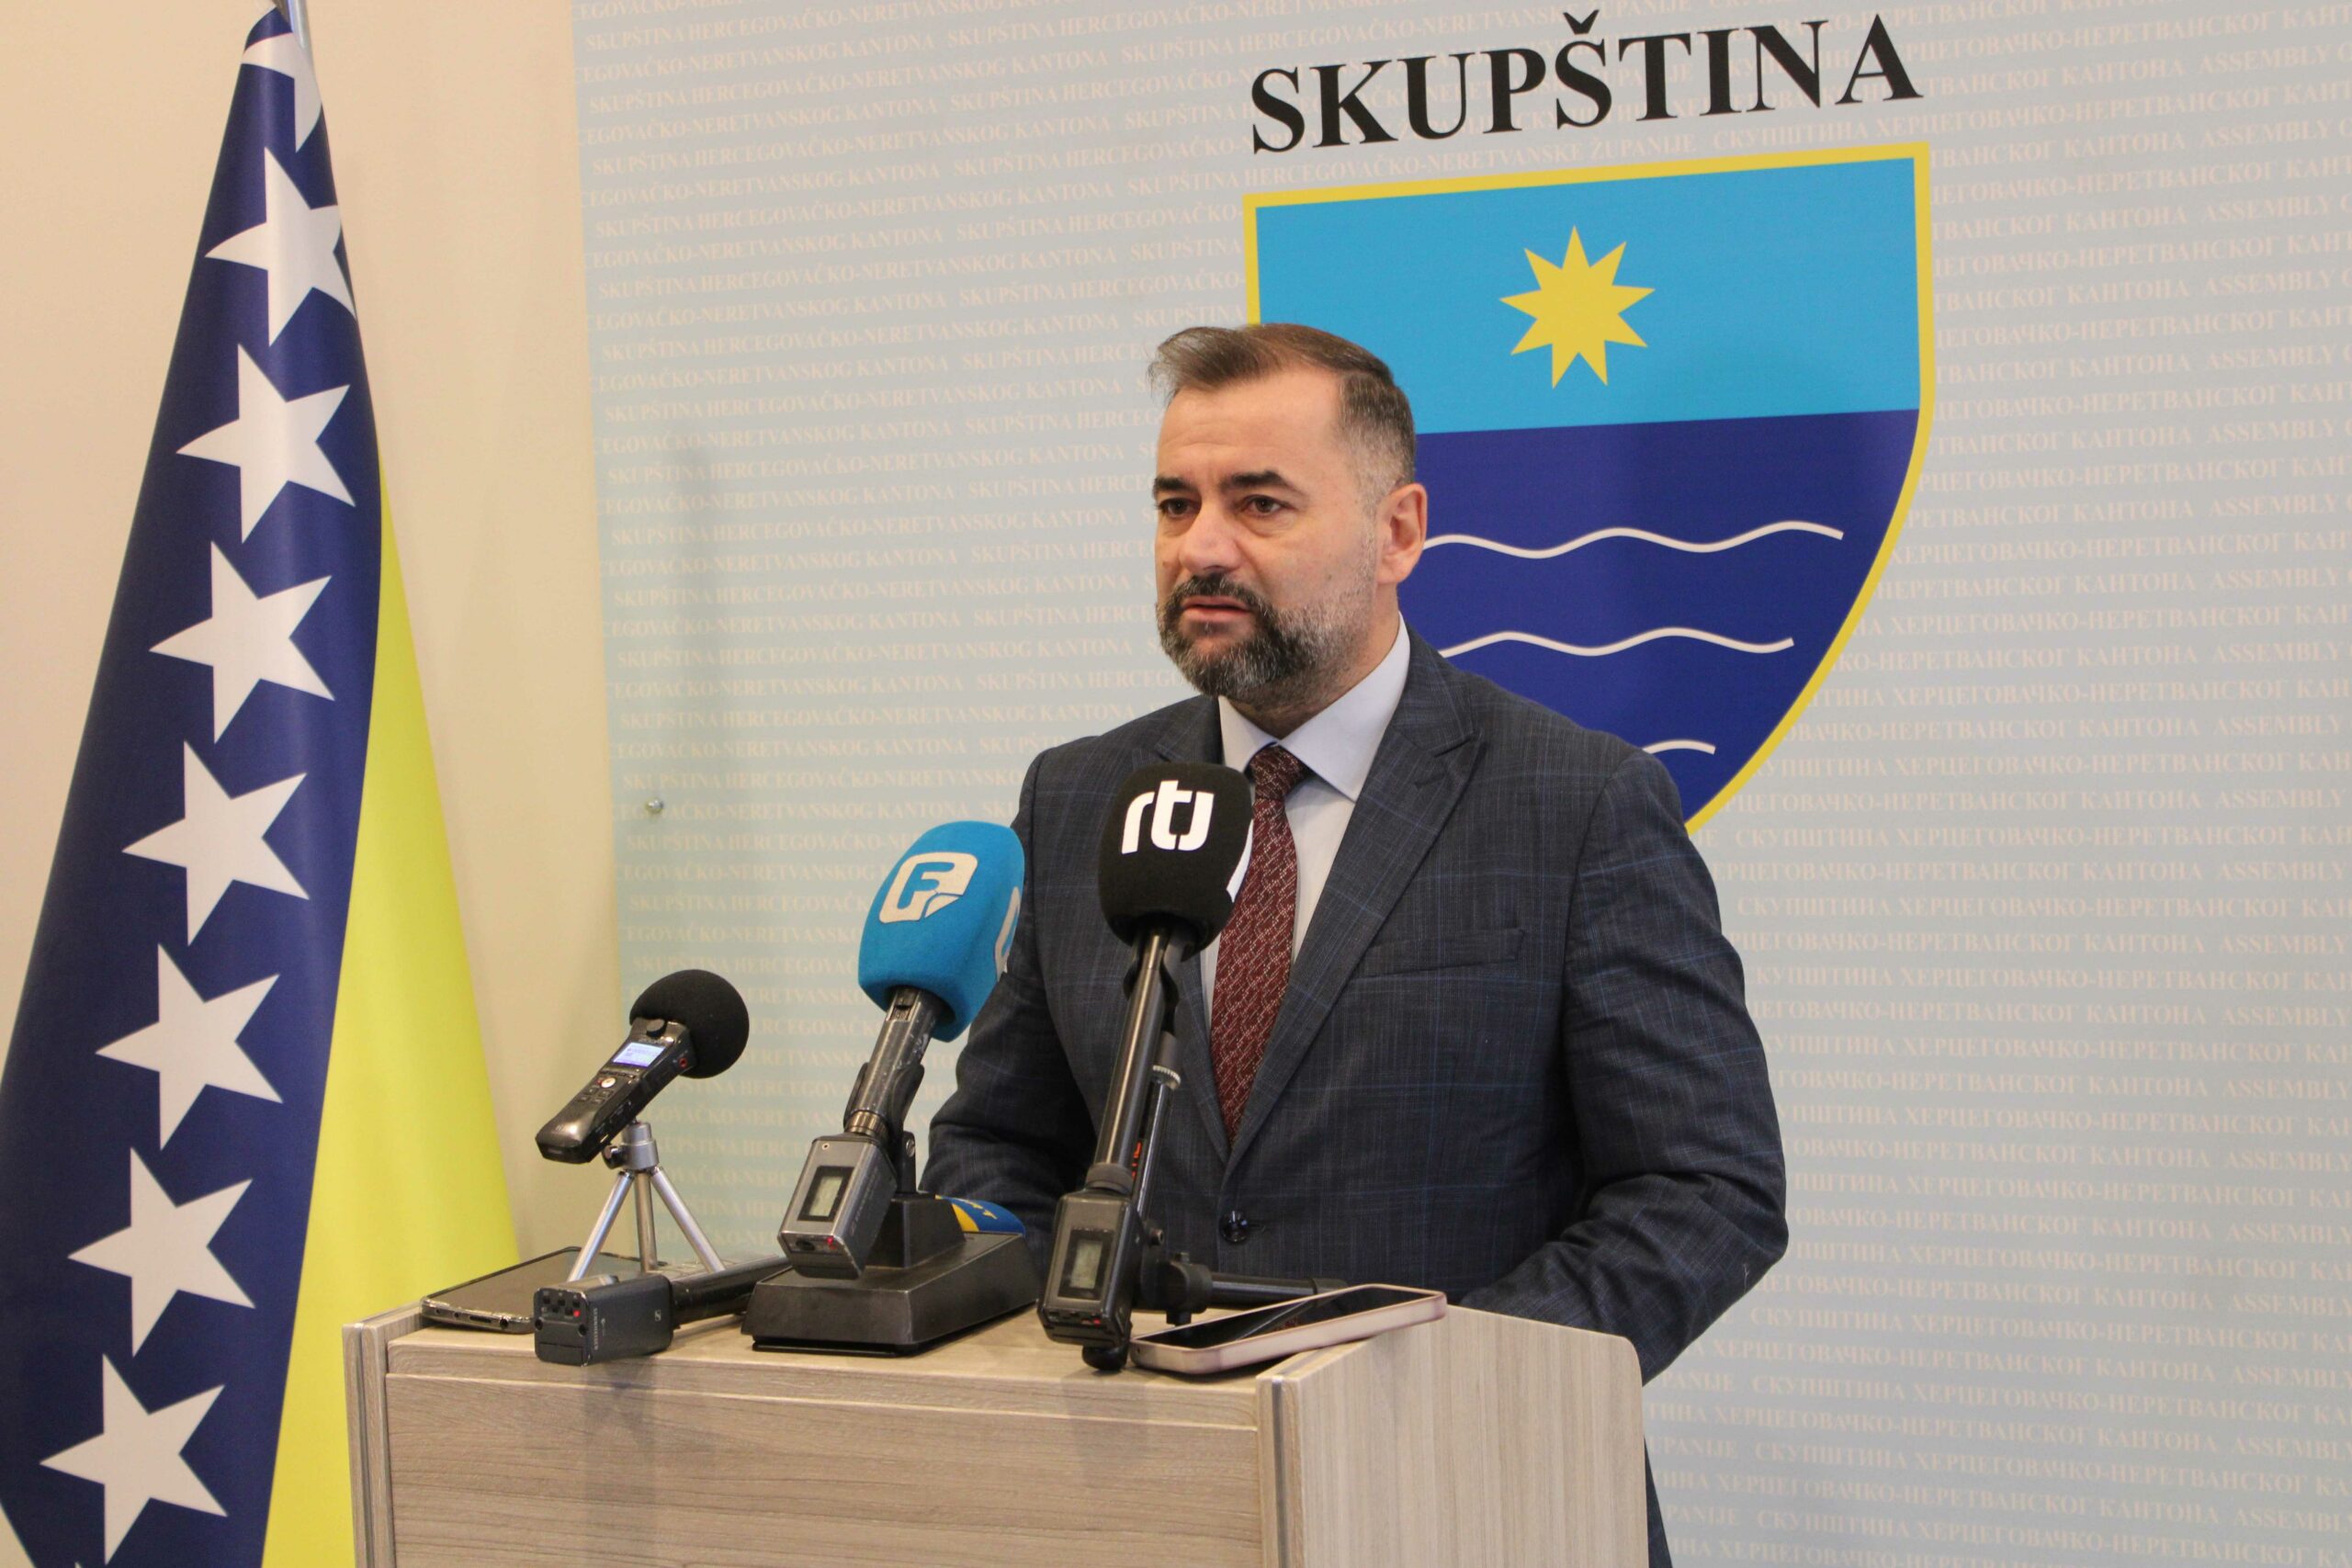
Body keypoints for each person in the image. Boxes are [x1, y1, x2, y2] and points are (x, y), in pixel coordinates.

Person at [924, 322, 1785, 1566]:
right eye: (1175, 504)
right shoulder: (1082, 797)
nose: (1201, 547)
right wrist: (1021, 1321)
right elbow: (1002, 1143)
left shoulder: (1575, 803)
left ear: (1399, 533)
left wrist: (1443, 1382)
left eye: (1260, 503)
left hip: (1479, 1498)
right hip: (1150, 1506)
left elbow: (1707, 1189)